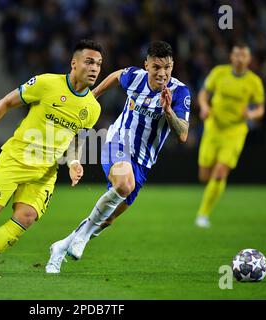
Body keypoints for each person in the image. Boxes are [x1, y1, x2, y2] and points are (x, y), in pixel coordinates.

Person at [0, 39, 103, 278]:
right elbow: (6, 102)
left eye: (99, 64)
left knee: (27, 216)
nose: (95, 68)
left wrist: (74, 162)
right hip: (18, 157)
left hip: (45, 171)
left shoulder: (92, 108)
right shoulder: (46, 83)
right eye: (89, 62)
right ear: (74, 63)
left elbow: (76, 140)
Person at [46, 41, 191, 273]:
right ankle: (80, 239)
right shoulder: (135, 77)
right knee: (124, 184)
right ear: (147, 66)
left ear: (172, 66)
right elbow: (116, 76)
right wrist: (92, 95)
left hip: (143, 161)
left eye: (167, 67)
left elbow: (182, 134)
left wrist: (168, 111)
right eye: (156, 67)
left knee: (108, 219)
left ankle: (62, 246)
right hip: (118, 141)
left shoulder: (180, 92)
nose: (162, 73)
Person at [195, 43, 265, 228]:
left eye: (244, 55)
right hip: (213, 127)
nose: (240, 58)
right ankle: (214, 188)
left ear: (249, 59)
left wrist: (251, 114)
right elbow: (203, 93)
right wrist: (204, 106)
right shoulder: (219, 72)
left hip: (235, 131)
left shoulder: (254, 82)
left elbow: (260, 109)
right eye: (237, 55)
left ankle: (203, 214)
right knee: (204, 175)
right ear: (231, 57)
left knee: (219, 173)